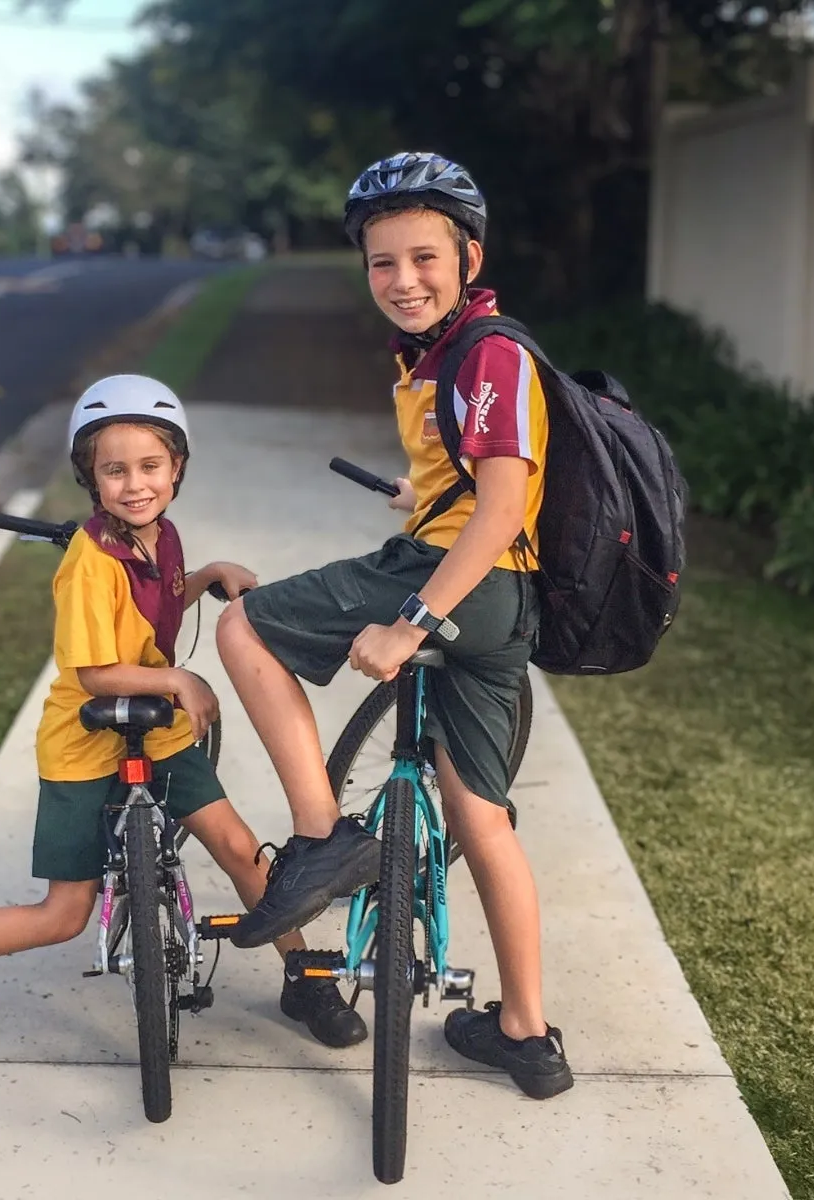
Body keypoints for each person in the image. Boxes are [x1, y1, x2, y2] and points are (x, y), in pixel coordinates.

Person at [0, 375, 367, 1055]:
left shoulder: (162, 535)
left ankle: (304, 976)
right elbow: (94, 673)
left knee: (240, 849)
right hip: (85, 741)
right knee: (64, 913)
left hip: (157, 729)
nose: (135, 484)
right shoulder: (89, 563)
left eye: (151, 466)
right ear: (90, 479)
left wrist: (207, 575)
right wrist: (178, 677)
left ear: (177, 468)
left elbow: (151, 606)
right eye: (115, 470)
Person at [215, 152, 573, 1098]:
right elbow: (484, 482)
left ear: (469, 257)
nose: (404, 280)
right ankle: (527, 1036)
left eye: (424, 258)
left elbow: (503, 507)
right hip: (503, 609)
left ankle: (323, 837)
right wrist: (428, 493)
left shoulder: (487, 352)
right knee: (481, 817)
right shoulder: (442, 354)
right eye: (383, 262)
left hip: (455, 587)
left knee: (245, 627)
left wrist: (412, 620)